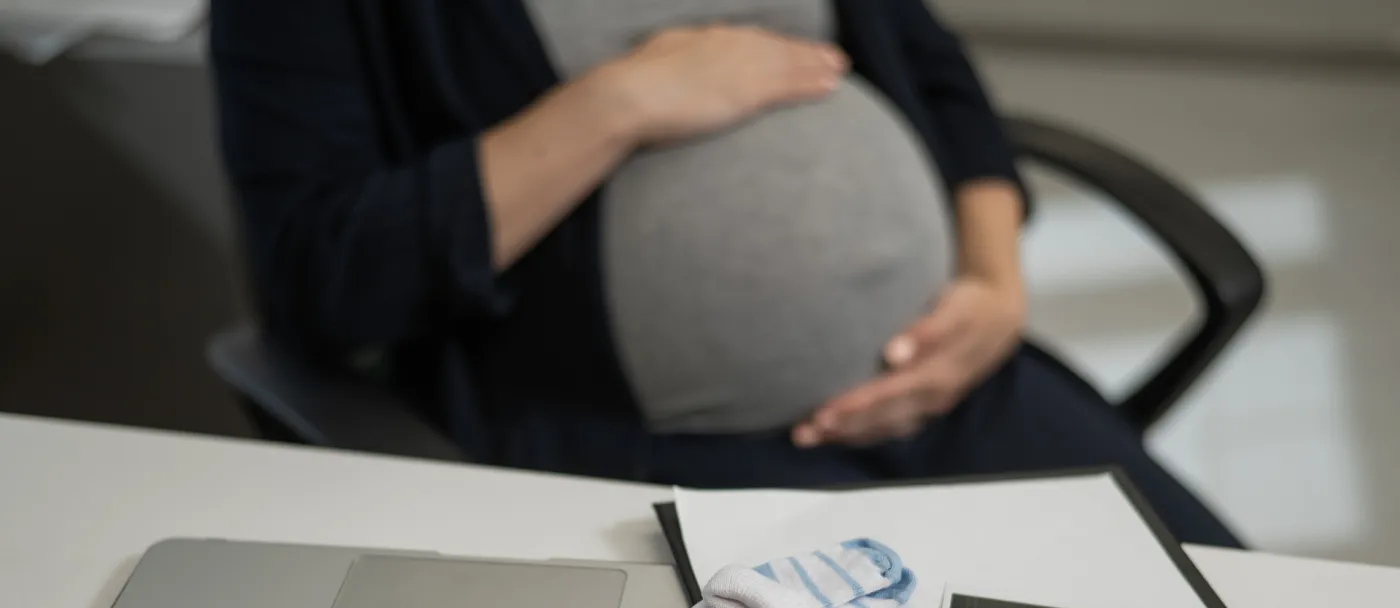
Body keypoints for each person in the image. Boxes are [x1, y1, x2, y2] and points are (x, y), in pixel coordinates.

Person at [209, 0, 1242, 548]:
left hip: (957, 384)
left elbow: (932, 66)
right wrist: (615, 106)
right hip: (651, 447)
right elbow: (322, 271)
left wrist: (990, 281)